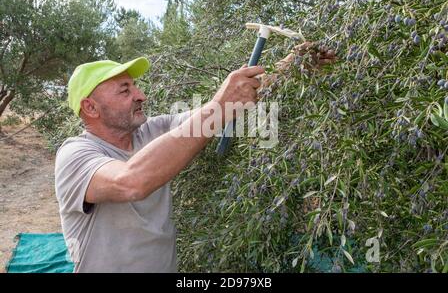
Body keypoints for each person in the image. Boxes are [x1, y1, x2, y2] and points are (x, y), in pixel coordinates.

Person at [55, 43, 335, 273]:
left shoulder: (152, 131)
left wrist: (289, 68)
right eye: (125, 90)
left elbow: (221, 110)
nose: (141, 95)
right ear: (90, 107)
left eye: (136, 86)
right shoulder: (75, 155)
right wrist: (219, 106)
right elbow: (131, 181)